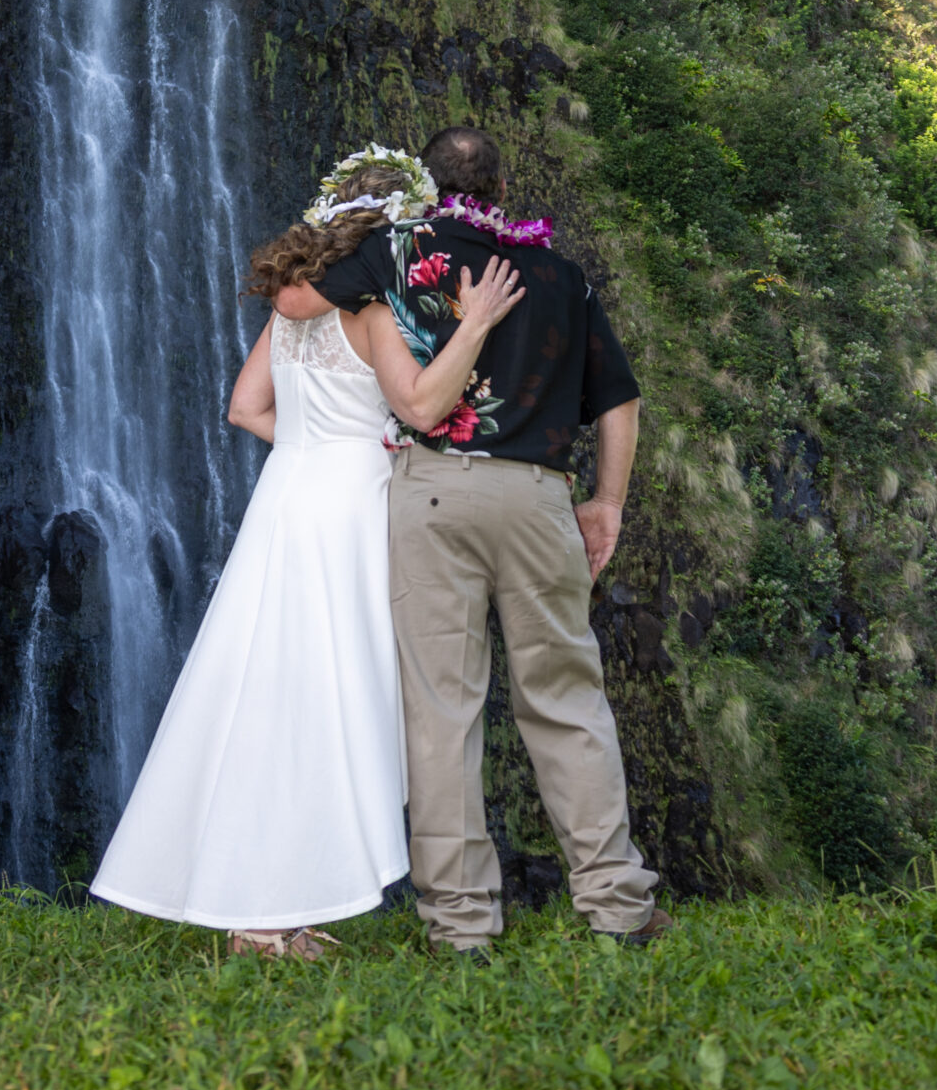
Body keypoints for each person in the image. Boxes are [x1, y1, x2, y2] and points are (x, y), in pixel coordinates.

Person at [89, 164, 524, 957]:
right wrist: (462, 343)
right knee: (331, 700)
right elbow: (419, 404)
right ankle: (269, 909)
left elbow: (243, 408)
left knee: (267, 693)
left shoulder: (288, 315)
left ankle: (265, 904)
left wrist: (306, 447)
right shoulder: (372, 313)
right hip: (351, 509)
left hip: (284, 501)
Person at [276, 127, 669, 957]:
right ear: (499, 187)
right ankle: (616, 905)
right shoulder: (561, 275)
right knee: (567, 699)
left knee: (441, 711)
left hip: (433, 493)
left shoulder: (398, 249)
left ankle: (460, 928)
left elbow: (297, 305)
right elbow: (619, 400)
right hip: (539, 499)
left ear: (430, 185)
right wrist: (607, 503)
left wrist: (341, 245)